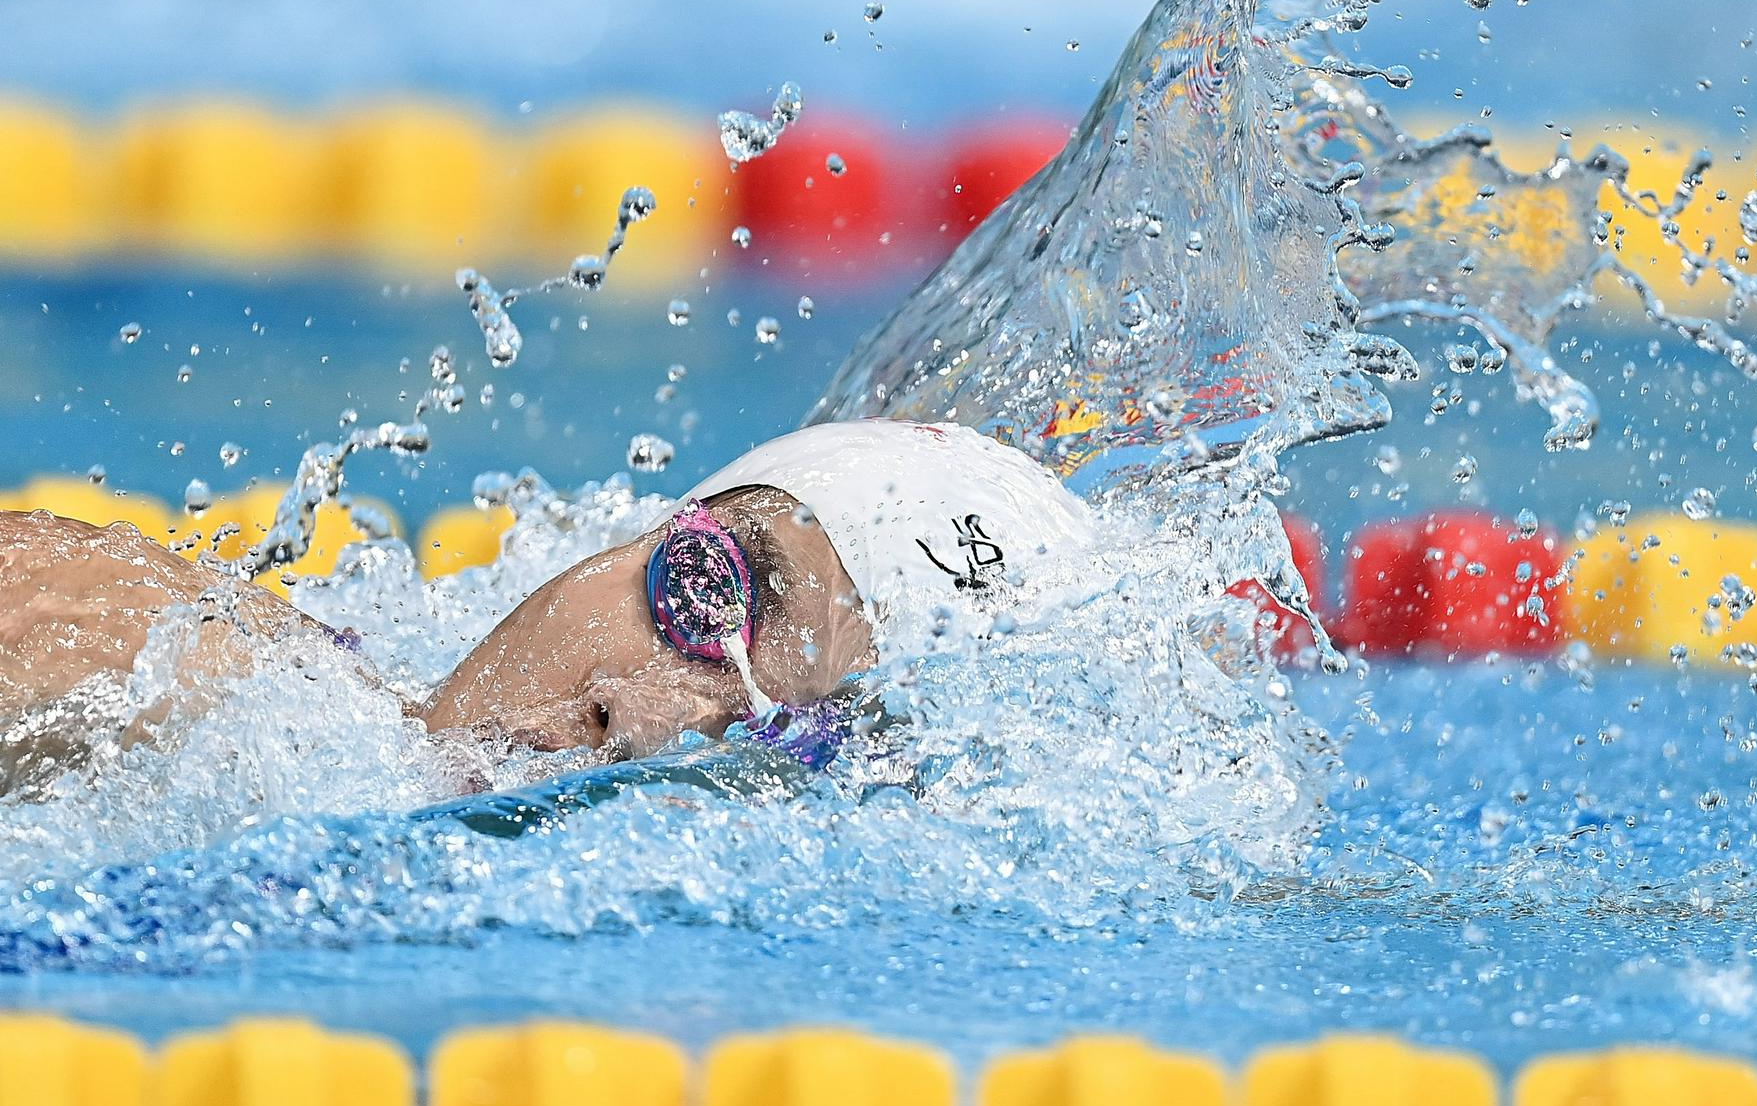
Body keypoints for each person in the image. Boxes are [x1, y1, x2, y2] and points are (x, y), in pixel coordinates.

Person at [0, 419, 1096, 789]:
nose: (643, 711)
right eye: (699, 589)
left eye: (781, 736)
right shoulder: (153, 657)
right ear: (621, 545)